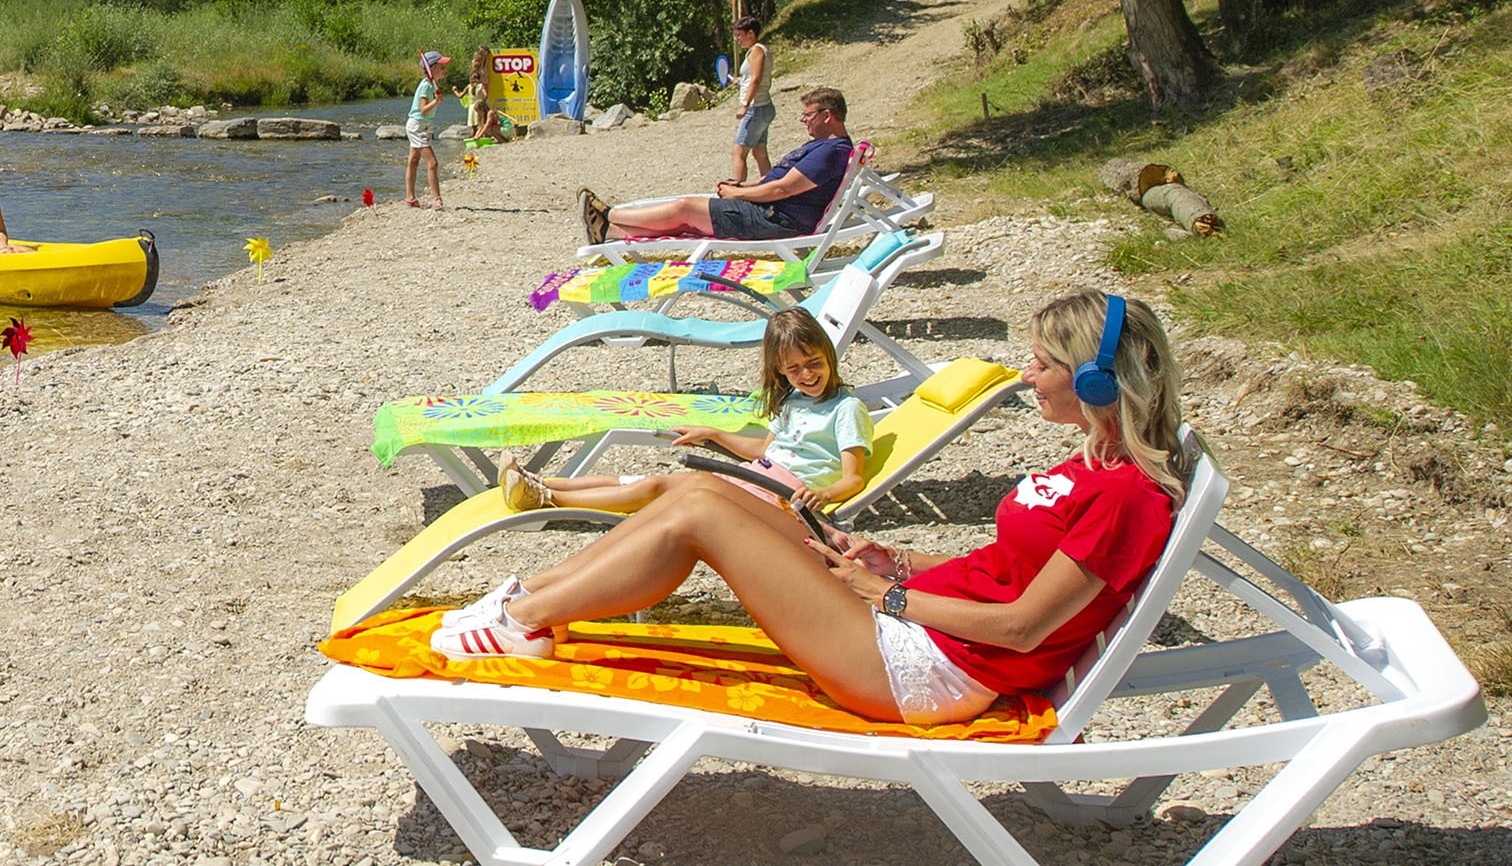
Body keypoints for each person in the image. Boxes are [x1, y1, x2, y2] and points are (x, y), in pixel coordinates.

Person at [430, 290, 1186, 729]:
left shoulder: (1124, 496)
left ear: (1095, 381)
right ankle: (529, 604)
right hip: (914, 628)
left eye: (1045, 364)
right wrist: (903, 562)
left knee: (703, 515)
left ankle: (521, 623)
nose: (1028, 376)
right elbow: (1009, 573)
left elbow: (1026, 626)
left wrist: (891, 596)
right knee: (700, 489)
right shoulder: (1094, 465)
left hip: (927, 670)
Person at [500, 307, 872, 520]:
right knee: (644, 479)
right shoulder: (794, 401)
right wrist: (712, 433)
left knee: (658, 488)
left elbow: (853, 478)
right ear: (780, 371)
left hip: (780, 495)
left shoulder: (846, 409)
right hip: (758, 477)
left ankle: (546, 500)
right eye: (794, 370)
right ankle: (542, 482)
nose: (807, 375)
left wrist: (823, 493)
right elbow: (763, 451)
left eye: (814, 363)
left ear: (829, 357)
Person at [581, 86, 853, 247]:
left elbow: (782, 189)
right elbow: (778, 182)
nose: (802, 120)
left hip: (776, 220)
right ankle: (608, 231)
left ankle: (609, 214)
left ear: (827, 116)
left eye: (807, 115)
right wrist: (743, 185)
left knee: (685, 208)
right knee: (686, 217)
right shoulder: (827, 147)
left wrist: (738, 195)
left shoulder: (831, 151)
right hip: (771, 212)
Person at [728, 16, 774, 185]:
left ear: (751, 33)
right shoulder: (760, 50)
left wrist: (744, 105)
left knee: (738, 152)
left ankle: (736, 192)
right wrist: (740, 82)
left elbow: (756, 79)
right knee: (759, 152)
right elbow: (753, 79)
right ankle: (770, 187)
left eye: (739, 35)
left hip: (756, 108)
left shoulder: (757, 50)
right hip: (764, 107)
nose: (736, 39)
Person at [404, 50, 452, 209]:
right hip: (418, 125)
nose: (445, 70)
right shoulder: (426, 86)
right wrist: (437, 101)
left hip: (423, 125)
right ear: (432, 68)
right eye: (442, 67)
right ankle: (437, 199)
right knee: (432, 162)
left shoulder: (430, 85)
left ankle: (410, 198)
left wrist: (436, 99)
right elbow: (423, 109)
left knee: (413, 161)